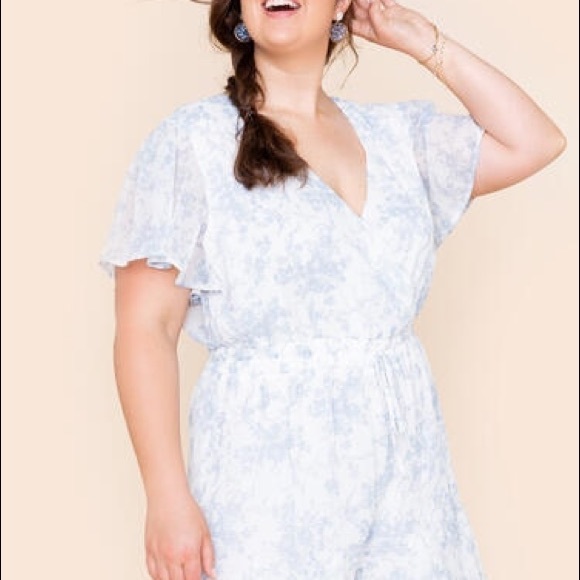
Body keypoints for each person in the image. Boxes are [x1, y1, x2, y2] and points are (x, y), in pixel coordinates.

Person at [100, 0, 565, 578]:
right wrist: (166, 497)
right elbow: (146, 329)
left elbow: (535, 141)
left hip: (408, 497)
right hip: (264, 493)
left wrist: (422, 40)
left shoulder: (399, 140)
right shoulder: (192, 142)